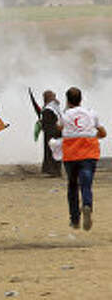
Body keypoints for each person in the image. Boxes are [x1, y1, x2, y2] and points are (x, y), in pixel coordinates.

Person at [58, 87, 106, 231]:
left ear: (67, 100)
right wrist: (90, 136)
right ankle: (87, 205)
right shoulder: (91, 113)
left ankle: (75, 219)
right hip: (89, 153)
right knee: (86, 184)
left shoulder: (64, 115)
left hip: (71, 155)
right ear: (81, 99)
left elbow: (59, 128)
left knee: (72, 186)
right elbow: (103, 133)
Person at [41, 90, 62, 177]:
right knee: (56, 151)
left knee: (51, 151)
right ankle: (55, 170)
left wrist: (42, 124)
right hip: (57, 132)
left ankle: (52, 170)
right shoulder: (55, 107)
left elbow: (48, 122)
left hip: (51, 133)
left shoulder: (49, 109)